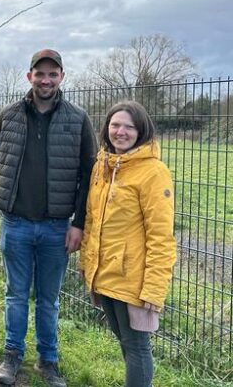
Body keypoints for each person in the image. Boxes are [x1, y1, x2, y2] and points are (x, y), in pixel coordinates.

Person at [0, 49, 97, 387]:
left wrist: (79, 223)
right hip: (16, 223)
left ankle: (47, 361)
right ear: (30, 77)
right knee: (15, 294)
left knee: (49, 299)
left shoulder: (78, 119)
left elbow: (89, 174)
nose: (46, 80)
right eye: (40, 74)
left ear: (62, 77)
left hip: (56, 227)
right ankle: (12, 358)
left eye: (53, 74)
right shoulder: (9, 115)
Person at [81, 101, 176, 387]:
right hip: (105, 271)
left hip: (134, 278)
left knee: (137, 348)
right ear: (106, 128)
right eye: (115, 125)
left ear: (141, 130)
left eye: (129, 126)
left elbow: (161, 235)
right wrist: (87, 264)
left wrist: (155, 287)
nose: (120, 132)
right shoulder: (102, 165)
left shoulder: (153, 172)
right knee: (125, 342)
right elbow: (91, 218)